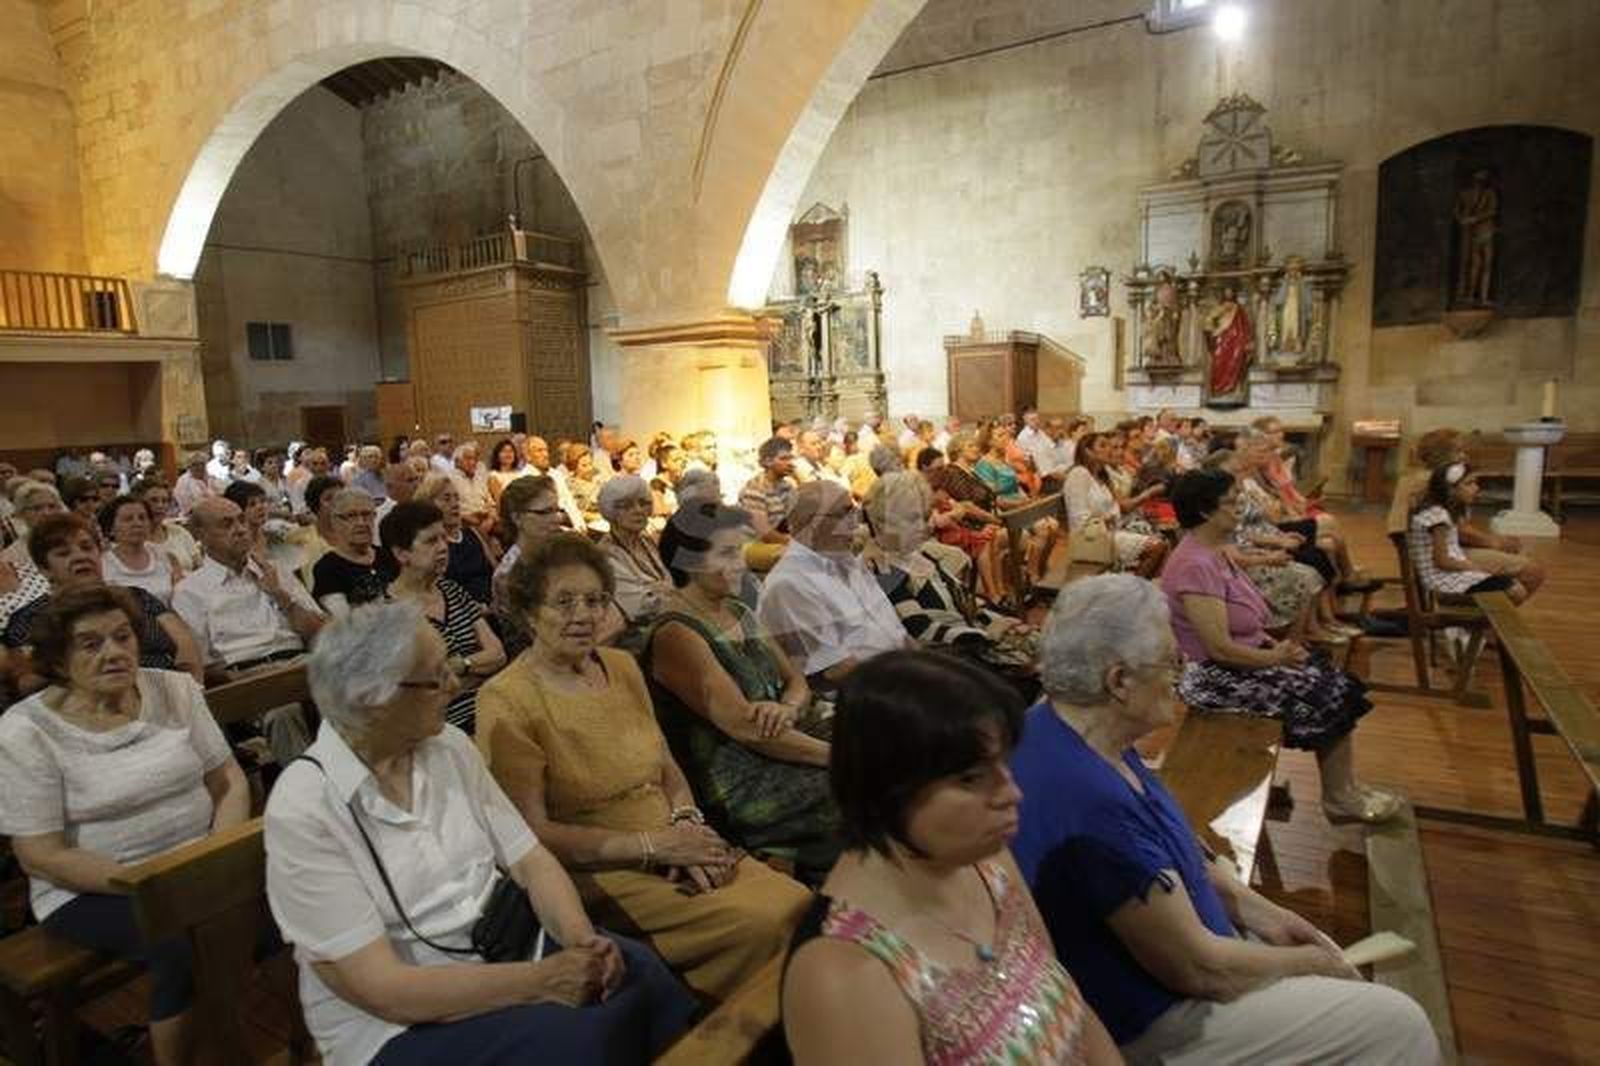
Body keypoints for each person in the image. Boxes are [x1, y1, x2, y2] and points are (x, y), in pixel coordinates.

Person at [1010, 574, 1438, 1064]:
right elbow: (1197, 968)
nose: (1182, 672)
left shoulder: (1068, 724)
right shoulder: (1086, 796)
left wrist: (1261, 911)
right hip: (1160, 1019)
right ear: (1119, 681)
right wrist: (1313, 964)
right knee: (1396, 1024)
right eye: (1172, 660)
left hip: (1197, 963)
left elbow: (1173, 844)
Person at [264, 601, 695, 1066]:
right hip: (405, 1019)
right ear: (375, 698)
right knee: (577, 1041)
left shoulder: (446, 746)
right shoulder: (307, 807)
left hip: (510, 949)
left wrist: (578, 939)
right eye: (436, 677)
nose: (456, 683)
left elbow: (531, 861)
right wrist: (543, 981)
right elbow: (383, 991)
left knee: (640, 976)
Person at [477, 535, 811, 1003]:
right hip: (599, 867)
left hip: (677, 838)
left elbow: (667, 767)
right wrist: (655, 848)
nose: (583, 615)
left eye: (595, 601)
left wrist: (687, 824)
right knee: (764, 925)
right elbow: (532, 834)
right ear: (529, 611)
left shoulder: (621, 665)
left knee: (800, 906)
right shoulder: (506, 699)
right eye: (564, 602)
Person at [783, 649, 1118, 1065]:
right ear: (887, 786)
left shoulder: (983, 862)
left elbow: (1070, 1002)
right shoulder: (845, 974)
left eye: (1004, 764)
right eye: (972, 778)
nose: (1012, 793)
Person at [0, 585, 250, 1066]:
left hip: (196, 865)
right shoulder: (25, 730)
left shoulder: (172, 688)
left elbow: (229, 781)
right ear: (56, 659)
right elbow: (40, 854)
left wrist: (215, 862)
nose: (115, 652)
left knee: (281, 902)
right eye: (91, 644)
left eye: (123, 637)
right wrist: (150, 885)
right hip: (93, 888)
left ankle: (276, 1046)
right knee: (178, 946)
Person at [1161, 470, 1398, 823]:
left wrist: (1278, 647)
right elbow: (1219, 648)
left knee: (1331, 679)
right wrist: (1274, 657)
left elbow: (1247, 621)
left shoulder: (1214, 552)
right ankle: (1339, 798)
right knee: (1322, 692)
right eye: (1230, 502)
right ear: (1206, 511)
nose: (1239, 508)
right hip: (1212, 679)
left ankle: (1343, 789)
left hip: (1241, 663)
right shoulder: (1194, 564)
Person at [646, 503, 839, 884]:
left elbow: (796, 681)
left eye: (741, 552)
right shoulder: (676, 633)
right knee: (867, 784)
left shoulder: (738, 610)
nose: (741, 564)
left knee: (894, 738)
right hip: (743, 777)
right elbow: (747, 730)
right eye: (728, 554)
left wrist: (787, 706)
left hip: (791, 737)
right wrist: (840, 758)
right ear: (690, 562)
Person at [173, 497, 324, 761]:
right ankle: (310, 792)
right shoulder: (190, 591)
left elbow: (321, 631)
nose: (241, 529)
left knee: (360, 680)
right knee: (284, 711)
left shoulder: (274, 571)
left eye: (241, 520)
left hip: (301, 663)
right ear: (200, 534)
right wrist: (251, 682)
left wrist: (280, 595)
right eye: (226, 524)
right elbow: (205, 667)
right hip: (247, 675)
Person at [861, 473, 1039, 694]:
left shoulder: (922, 554)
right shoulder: (882, 568)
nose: (924, 526)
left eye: (924, 517)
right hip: (948, 667)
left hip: (970, 646)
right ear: (881, 522)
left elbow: (966, 601)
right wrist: (989, 635)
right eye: (911, 519)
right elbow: (921, 630)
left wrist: (1001, 621)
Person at [4, 512, 203, 692]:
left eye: (87, 547)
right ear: (44, 568)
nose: (80, 556)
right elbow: (27, 683)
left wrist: (191, 691)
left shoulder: (136, 596)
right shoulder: (30, 618)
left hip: (171, 694)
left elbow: (185, 645)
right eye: (64, 553)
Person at [758, 481, 907, 689]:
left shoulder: (847, 561)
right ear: (808, 523)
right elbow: (834, 672)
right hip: (867, 693)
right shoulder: (790, 583)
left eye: (854, 512)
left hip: (900, 671)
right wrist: (914, 673)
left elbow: (898, 633)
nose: (855, 524)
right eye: (844, 514)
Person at [379, 500, 507, 735]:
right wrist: (475, 669)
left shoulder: (452, 590)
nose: (443, 547)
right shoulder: (388, 613)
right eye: (430, 541)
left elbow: (498, 654)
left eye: (443, 537)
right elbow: (425, 689)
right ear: (401, 553)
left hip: (495, 705)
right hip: (446, 728)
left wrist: (459, 665)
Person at [1387, 428, 1541, 585]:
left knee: (1517, 560)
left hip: (1429, 553)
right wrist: (1496, 544)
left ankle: (1483, 601)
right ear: (1441, 455)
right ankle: (1477, 603)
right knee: (1532, 571)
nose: (1464, 456)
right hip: (1438, 558)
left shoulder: (1414, 477)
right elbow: (1460, 533)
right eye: (1459, 451)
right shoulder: (1433, 482)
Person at [1408, 463, 1540, 604]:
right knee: (1515, 591)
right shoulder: (1438, 517)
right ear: (1450, 489)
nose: (1476, 488)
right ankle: (1477, 623)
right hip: (1442, 579)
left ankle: (1480, 623)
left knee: (1513, 586)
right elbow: (1442, 561)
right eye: (1469, 484)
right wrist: (1474, 567)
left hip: (1450, 573)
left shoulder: (1442, 511)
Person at [1063, 434, 1169, 578]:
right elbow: (1078, 519)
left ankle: (1134, 588)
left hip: (1111, 531)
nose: (1109, 450)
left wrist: (1113, 518)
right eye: (1103, 446)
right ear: (1087, 451)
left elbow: (1115, 509)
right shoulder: (1079, 474)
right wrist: (1108, 519)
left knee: (1163, 544)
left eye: (1109, 446)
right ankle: (1132, 590)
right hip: (1089, 538)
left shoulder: (1101, 476)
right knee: (1157, 547)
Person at [596, 476, 672, 626]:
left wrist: (656, 589)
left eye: (643, 503)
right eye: (627, 506)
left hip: (671, 618)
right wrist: (667, 590)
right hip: (641, 632)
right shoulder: (605, 555)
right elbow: (637, 607)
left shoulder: (647, 540)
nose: (639, 510)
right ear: (610, 511)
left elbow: (677, 578)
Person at [416, 473, 500, 606]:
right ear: (428, 505)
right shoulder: (429, 546)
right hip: (462, 614)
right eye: (447, 499)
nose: (455, 504)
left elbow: (497, 575)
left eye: (456, 498)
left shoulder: (473, 533)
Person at [311, 488, 392, 610]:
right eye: (351, 516)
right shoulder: (327, 568)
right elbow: (342, 619)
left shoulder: (387, 556)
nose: (361, 522)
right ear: (335, 521)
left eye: (366, 514)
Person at [99, 494, 184, 604]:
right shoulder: (102, 564)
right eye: (128, 519)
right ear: (111, 529)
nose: (137, 523)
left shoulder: (166, 557)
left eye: (142, 518)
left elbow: (182, 600)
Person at [737, 437, 798, 542]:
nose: (790, 463)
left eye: (791, 458)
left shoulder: (787, 487)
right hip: (754, 545)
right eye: (783, 459)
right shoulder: (754, 489)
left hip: (781, 540)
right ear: (767, 462)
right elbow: (764, 533)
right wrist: (796, 543)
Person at [486, 438, 527, 506]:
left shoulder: (520, 473)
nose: (508, 454)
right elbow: (500, 501)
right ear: (497, 456)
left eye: (511, 451)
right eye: (504, 451)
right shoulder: (494, 476)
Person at [173, 451, 216, 516]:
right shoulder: (184, 481)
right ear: (189, 466)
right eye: (195, 464)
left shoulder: (211, 478)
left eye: (202, 463)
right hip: (193, 516)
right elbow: (185, 505)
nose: (199, 467)